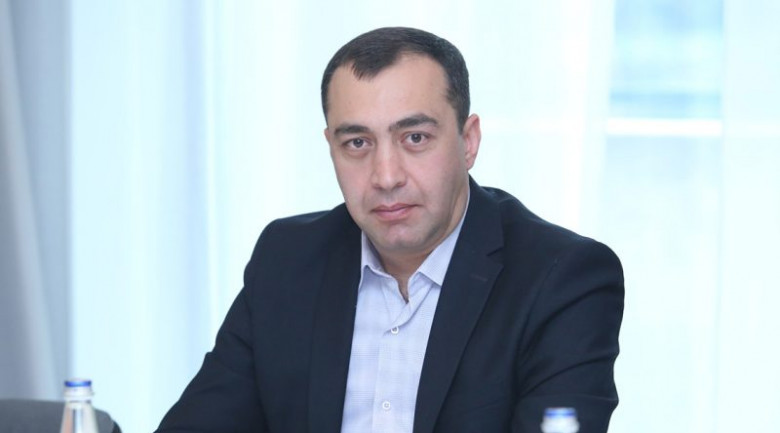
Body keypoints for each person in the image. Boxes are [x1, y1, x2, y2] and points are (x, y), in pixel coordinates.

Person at [156, 27, 624, 433]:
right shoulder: (288, 258)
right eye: (357, 143)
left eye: (414, 138)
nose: (385, 176)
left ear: (468, 141)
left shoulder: (562, 278)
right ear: (331, 148)